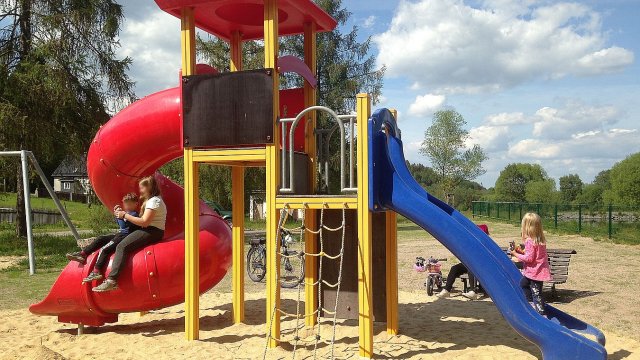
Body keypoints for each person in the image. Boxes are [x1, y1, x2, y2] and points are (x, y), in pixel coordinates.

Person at [92, 175, 167, 292]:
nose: (140, 190)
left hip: (152, 231)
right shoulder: (152, 200)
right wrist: (121, 214)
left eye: (142, 188)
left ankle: (112, 280)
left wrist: (125, 215)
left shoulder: (154, 201)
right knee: (116, 240)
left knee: (122, 246)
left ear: (149, 188)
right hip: (150, 229)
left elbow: (145, 222)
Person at [66, 193, 141, 283]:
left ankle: (97, 271)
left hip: (125, 236)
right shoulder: (126, 213)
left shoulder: (134, 214)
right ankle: (83, 254)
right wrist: (117, 214)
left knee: (104, 249)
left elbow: (125, 224)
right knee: (100, 239)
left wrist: (121, 215)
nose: (126, 206)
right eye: (125, 204)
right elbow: (121, 225)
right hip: (120, 234)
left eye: (129, 204)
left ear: (135, 204)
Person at [511, 212, 551, 315]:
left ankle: (541, 313)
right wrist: (521, 252)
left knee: (536, 293)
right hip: (537, 271)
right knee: (524, 284)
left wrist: (515, 254)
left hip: (534, 273)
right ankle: (531, 304)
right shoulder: (540, 240)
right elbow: (534, 255)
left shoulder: (529, 241)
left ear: (526, 227)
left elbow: (529, 259)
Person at [436, 224, 490, 300]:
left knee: (471, 268)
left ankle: (473, 292)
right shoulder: (473, 242)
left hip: (480, 265)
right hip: (469, 263)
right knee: (454, 268)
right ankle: (446, 290)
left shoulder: (486, 243)